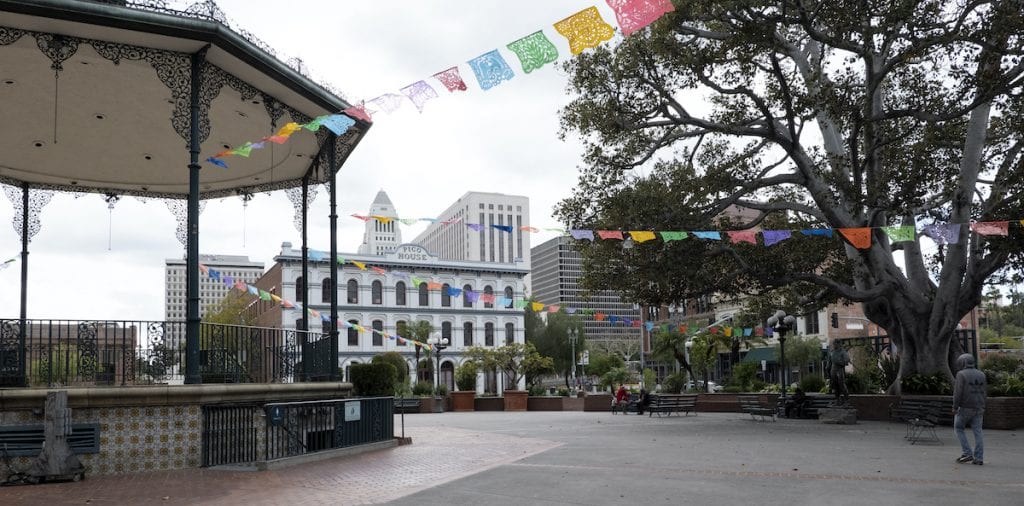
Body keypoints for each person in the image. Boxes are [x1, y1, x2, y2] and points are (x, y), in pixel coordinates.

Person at [953, 353, 986, 465]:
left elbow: (958, 393)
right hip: (979, 407)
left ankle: (967, 453)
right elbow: (984, 392)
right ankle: (979, 458)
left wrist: (955, 407)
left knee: (958, 428)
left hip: (965, 407)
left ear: (963, 362)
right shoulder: (982, 374)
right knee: (978, 432)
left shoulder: (961, 374)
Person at [827, 340, 850, 405]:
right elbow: (829, 362)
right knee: (835, 385)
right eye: (833, 344)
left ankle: (847, 399)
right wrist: (827, 368)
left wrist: (839, 362)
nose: (834, 345)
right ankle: (837, 399)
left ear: (839, 344)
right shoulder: (832, 352)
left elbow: (847, 360)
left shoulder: (843, 352)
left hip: (840, 369)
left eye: (835, 344)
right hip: (833, 370)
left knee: (841, 384)